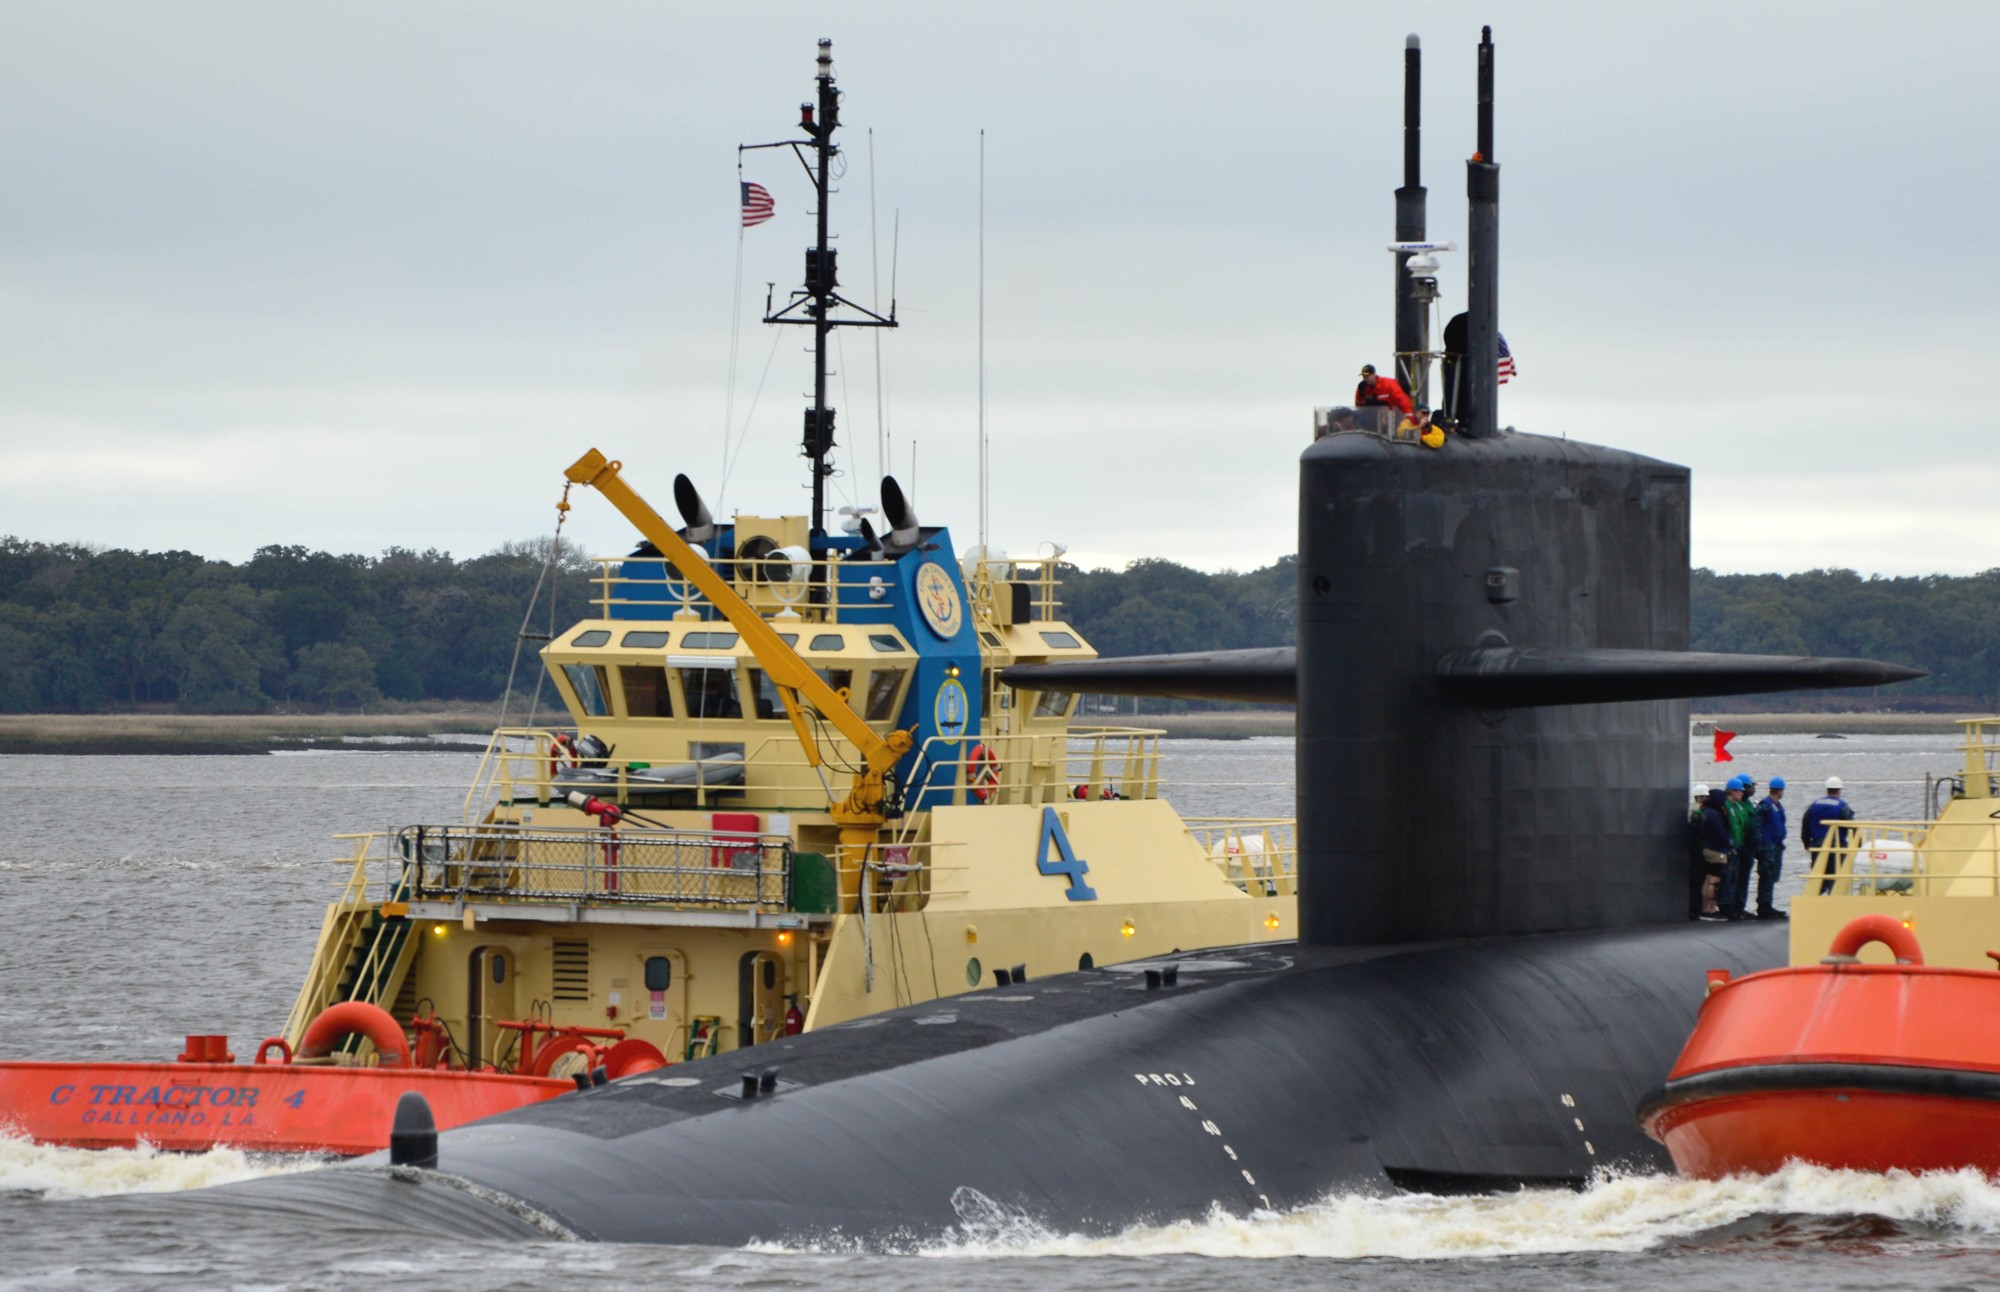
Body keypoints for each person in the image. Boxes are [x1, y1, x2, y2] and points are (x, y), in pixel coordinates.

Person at [1803, 776, 1857, 894]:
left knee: (1818, 877)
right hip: (1837, 847)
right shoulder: (1842, 806)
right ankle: (1833, 899)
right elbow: (1853, 826)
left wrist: (1806, 842)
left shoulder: (1815, 805)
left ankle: (1814, 899)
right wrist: (1858, 844)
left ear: (1827, 789)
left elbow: (1805, 823)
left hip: (1817, 846)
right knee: (1835, 878)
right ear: (1839, 790)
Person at [1752, 776, 1788, 920]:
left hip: (1776, 846)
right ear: (1779, 790)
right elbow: (1756, 826)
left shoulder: (1777, 806)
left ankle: (1768, 903)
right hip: (1767, 846)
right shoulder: (1765, 806)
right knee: (1766, 875)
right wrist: (1759, 846)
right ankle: (1763, 905)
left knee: (1772, 876)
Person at [1721, 775, 1754, 920]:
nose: (1742, 793)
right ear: (1733, 791)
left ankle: (1736, 907)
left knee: (1736, 878)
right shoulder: (1726, 806)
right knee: (1729, 877)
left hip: (1740, 846)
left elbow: (1743, 825)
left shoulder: (1738, 806)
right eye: (1740, 791)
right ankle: (1726, 906)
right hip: (1730, 847)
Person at [1697, 785, 1732, 921]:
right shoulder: (1714, 814)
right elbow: (1720, 832)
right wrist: (1729, 842)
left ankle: (1705, 909)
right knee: (1714, 881)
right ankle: (1710, 910)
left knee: (1708, 879)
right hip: (1716, 850)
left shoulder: (1707, 811)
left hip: (1708, 848)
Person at [1685, 783, 1711, 920]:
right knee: (1697, 882)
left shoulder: (1697, 813)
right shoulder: (1697, 815)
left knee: (1700, 881)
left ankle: (1698, 908)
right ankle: (1695, 909)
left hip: (1699, 852)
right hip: (1698, 853)